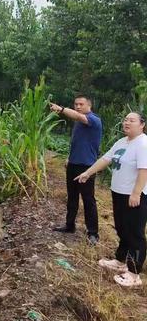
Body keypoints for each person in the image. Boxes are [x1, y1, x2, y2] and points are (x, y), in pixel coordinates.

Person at [75, 112, 147, 287]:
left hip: (135, 195)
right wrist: (88, 172)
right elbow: (105, 159)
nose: (127, 122)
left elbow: (144, 170)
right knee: (122, 229)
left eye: (132, 120)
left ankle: (134, 273)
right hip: (118, 192)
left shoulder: (143, 143)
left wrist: (136, 192)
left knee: (135, 233)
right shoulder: (122, 142)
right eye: (125, 120)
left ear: (142, 125)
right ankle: (120, 260)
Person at [50, 95, 103, 244]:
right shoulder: (78, 123)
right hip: (73, 164)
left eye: (81, 104)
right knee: (72, 197)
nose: (78, 106)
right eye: (76, 104)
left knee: (88, 200)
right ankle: (69, 225)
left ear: (89, 106)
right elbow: (77, 143)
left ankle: (93, 233)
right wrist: (69, 157)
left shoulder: (93, 120)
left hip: (86, 167)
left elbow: (78, 116)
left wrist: (61, 109)